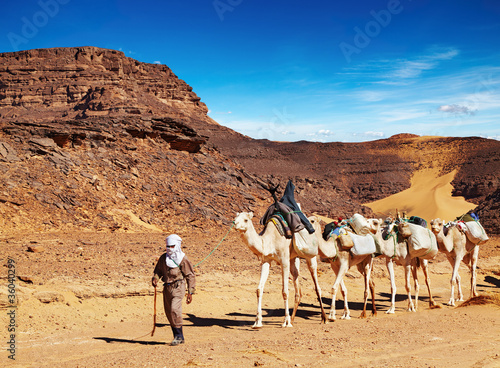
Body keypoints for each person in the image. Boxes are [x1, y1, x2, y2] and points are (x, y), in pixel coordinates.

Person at [152, 234, 196, 346]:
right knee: (168, 312)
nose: (169, 248)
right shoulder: (163, 258)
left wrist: (190, 292)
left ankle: (179, 336)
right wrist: (155, 278)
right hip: (167, 288)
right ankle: (178, 336)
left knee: (174, 309)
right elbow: (158, 271)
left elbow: (190, 275)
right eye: (168, 246)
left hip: (178, 287)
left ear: (177, 246)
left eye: (172, 246)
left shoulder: (183, 259)